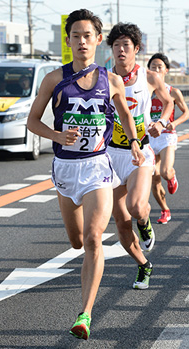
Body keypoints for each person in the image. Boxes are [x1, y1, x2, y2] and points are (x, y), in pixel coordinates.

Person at [27, 9, 145, 340]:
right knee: (77, 241)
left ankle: (85, 314)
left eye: (88, 35)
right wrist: (56, 136)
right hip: (65, 168)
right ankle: (83, 277)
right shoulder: (54, 79)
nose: (82, 41)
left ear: (97, 41)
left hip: (97, 166)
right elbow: (32, 121)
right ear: (69, 41)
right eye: (76, 36)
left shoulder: (112, 81)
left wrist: (135, 142)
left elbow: (124, 113)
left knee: (95, 237)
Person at [106, 23, 174, 290]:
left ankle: (145, 222)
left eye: (126, 45)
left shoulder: (149, 78)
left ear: (136, 48)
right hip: (111, 155)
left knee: (135, 207)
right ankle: (143, 265)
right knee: (122, 224)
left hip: (140, 152)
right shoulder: (103, 78)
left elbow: (168, 103)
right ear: (110, 49)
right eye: (116, 45)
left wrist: (161, 121)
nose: (121, 50)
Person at [147, 53, 189, 223]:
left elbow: (186, 112)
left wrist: (175, 123)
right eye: (153, 67)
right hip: (149, 138)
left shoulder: (173, 92)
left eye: (159, 67)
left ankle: (171, 176)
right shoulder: (143, 91)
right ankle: (165, 210)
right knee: (153, 176)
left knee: (164, 172)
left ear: (166, 70)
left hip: (166, 137)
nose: (156, 70)